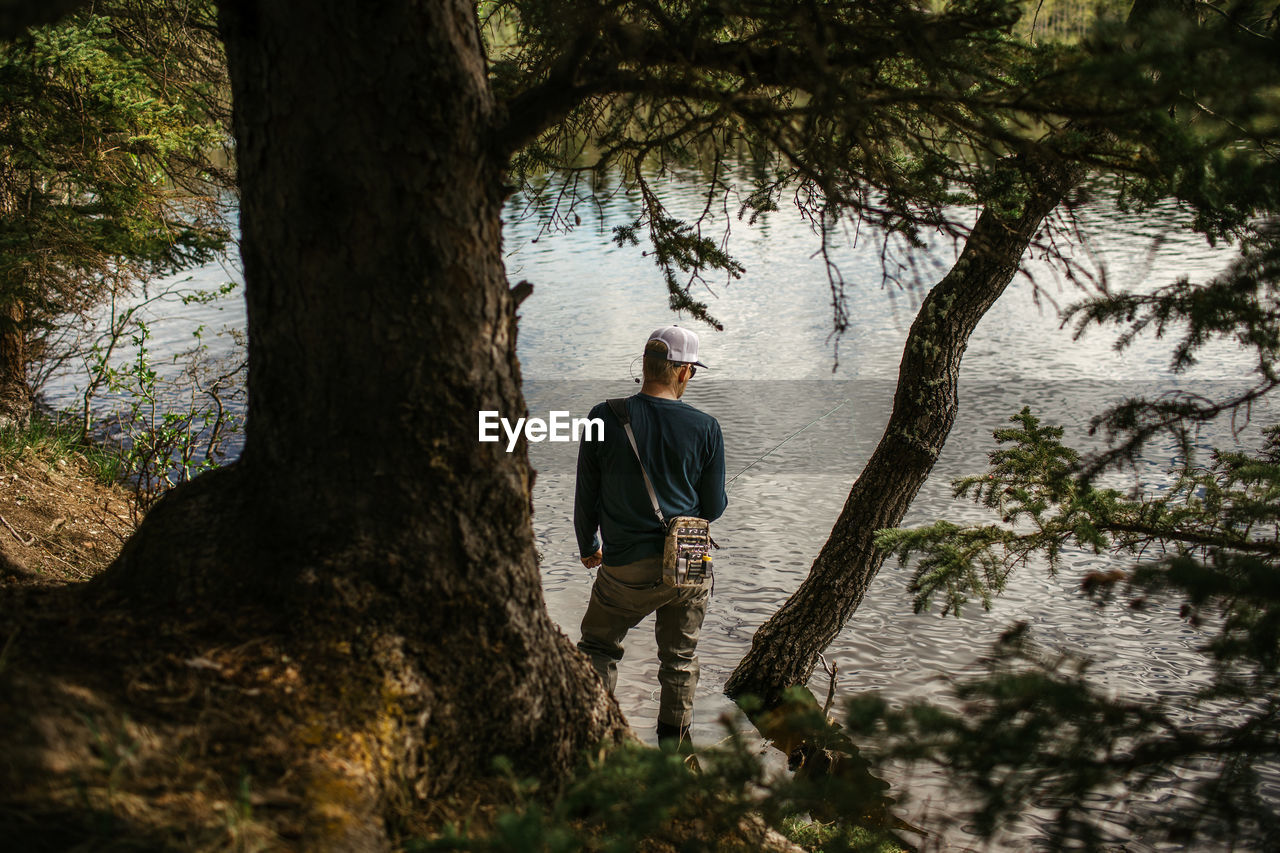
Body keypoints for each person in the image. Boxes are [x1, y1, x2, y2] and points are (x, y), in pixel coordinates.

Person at [574, 325, 727, 747]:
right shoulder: (706, 426)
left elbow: (586, 492)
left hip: (624, 561)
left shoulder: (603, 416)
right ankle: (675, 753)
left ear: (646, 367)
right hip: (689, 557)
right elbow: (712, 509)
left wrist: (589, 546)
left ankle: (593, 742)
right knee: (679, 660)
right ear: (683, 373)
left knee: (599, 647)